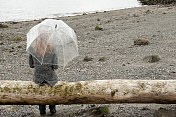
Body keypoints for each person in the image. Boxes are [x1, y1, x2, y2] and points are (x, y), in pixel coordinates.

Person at [28, 34, 58, 115]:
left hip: (38, 78)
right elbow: (55, 66)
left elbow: (31, 65)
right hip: (50, 77)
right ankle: (52, 108)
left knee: (40, 91)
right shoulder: (52, 49)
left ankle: (42, 109)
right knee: (51, 90)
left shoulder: (32, 49)